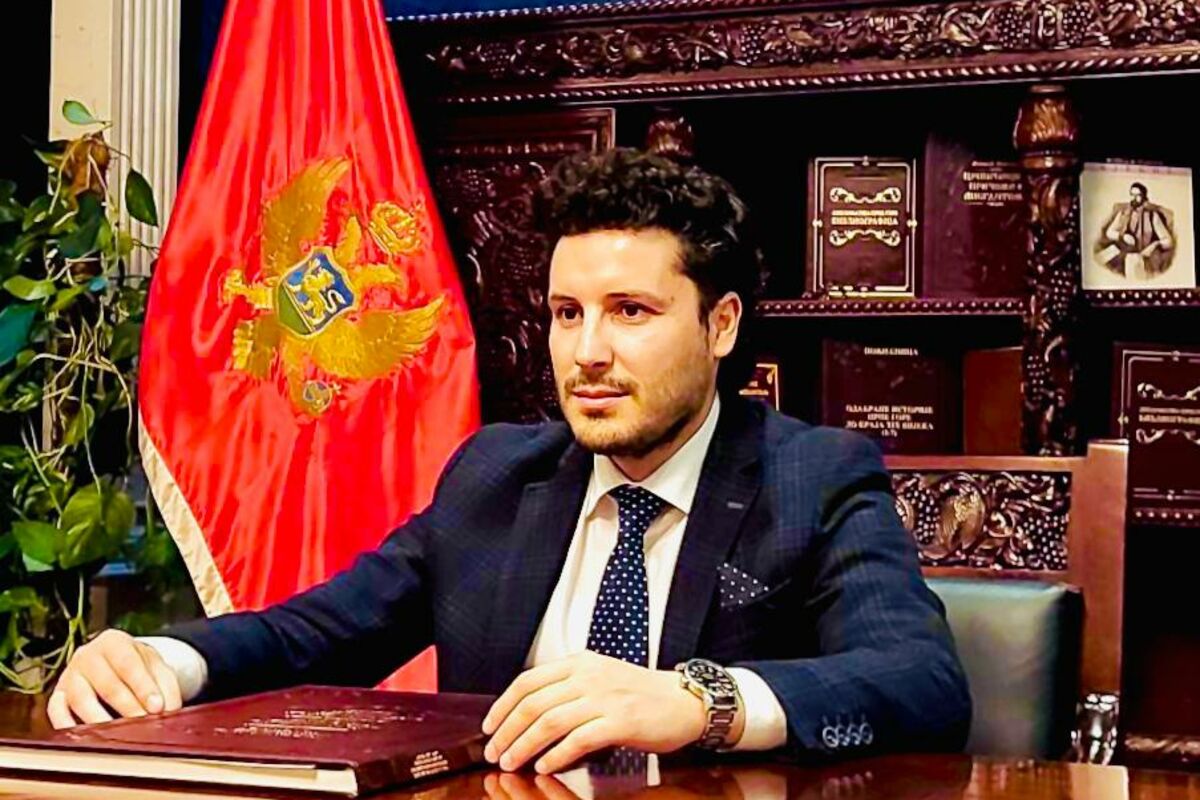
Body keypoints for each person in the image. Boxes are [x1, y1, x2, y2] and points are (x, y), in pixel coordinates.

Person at [47, 148, 970, 772]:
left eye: (631, 312)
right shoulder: (496, 475)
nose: (587, 353)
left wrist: (701, 703)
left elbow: (923, 684)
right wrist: (163, 659)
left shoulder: (814, 477)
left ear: (720, 325)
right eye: (568, 314)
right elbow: (317, 633)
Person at [1096, 181, 1176, 278]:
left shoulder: (1152, 216)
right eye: (1132, 195)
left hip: (1141, 255)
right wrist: (1122, 236)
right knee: (1099, 261)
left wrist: (1156, 244)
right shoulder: (1124, 213)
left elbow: (1168, 241)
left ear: (1144, 197)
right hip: (1122, 251)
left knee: (1133, 264)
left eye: (1138, 195)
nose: (1134, 198)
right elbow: (1109, 232)